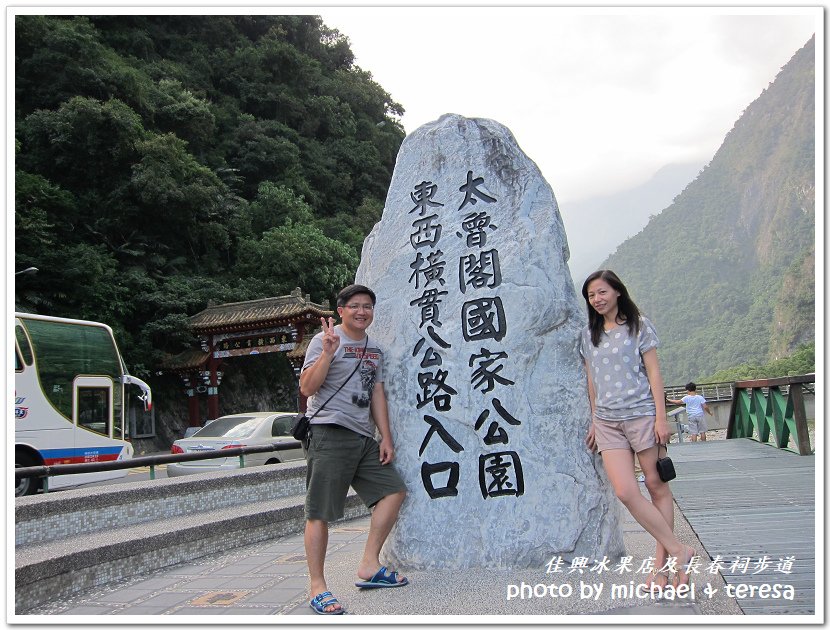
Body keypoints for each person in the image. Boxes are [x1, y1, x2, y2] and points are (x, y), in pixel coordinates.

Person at [580, 270, 696, 591]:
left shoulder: (639, 326)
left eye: (602, 292)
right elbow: (592, 382)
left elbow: (655, 374)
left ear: (617, 292)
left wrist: (662, 418)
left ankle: (660, 570)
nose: (597, 300)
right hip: (607, 423)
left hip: (642, 416)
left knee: (657, 487)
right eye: (591, 296)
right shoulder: (587, 335)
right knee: (626, 492)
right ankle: (679, 551)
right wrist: (593, 418)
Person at [299, 284, 408, 615]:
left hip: (363, 438)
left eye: (368, 307)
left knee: (394, 491)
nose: (362, 312)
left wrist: (385, 437)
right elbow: (307, 387)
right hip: (328, 432)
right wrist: (329, 353)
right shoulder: (323, 341)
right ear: (341, 310)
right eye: (356, 306)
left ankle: (369, 565)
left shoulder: (375, 349)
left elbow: (376, 393)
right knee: (320, 512)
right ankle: (318, 586)